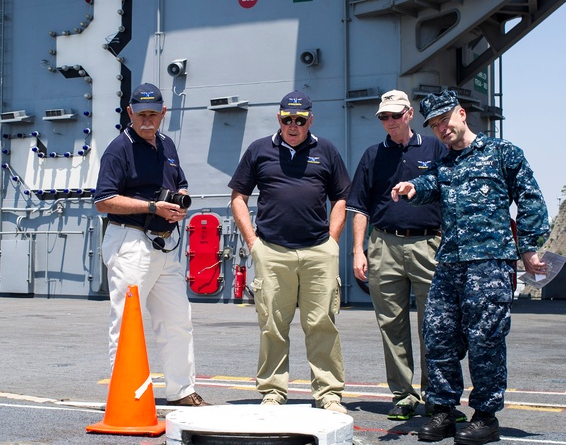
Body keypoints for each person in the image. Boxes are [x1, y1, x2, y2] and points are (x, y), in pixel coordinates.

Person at [391, 89, 549, 445]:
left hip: (489, 263)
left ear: (461, 114)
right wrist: (412, 187)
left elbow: (530, 198)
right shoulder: (445, 164)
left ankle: (485, 416)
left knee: (486, 338)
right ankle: (444, 410)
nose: (441, 128)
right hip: (449, 262)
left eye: (445, 119)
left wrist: (528, 248)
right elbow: (429, 183)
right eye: (433, 124)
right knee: (438, 335)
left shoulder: (502, 153)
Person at [228, 90, 351, 413]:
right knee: (272, 324)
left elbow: (341, 198)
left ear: (310, 120)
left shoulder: (326, 150)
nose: (293, 126)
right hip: (272, 251)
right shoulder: (259, 150)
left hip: (318, 252)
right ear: (278, 119)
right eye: (287, 119)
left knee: (322, 323)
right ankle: (273, 390)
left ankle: (328, 393)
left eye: (299, 120)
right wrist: (253, 243)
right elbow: (238, 197)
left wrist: (333, 241)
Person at [94, 83, 206, 407]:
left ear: (163, 114)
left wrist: (178, 203)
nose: (147, 121)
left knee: (177, 320)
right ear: (129, 113)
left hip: (164, 245)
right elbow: (103, 200)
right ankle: (125, 396)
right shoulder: (119, 149)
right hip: (130, 243)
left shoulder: (167, 145)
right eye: (141, 114)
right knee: (128, 321)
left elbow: (179, 181)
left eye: (153, 115)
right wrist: (152, 207)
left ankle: (182, 390)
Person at [347, 90, 448, 421]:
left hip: (428, 245)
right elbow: (359, 207)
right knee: (391, 324)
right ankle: (403, 395)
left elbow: (451, 195)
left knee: (434, 324)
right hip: (384, 245)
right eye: (383, 117)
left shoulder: (435, 147)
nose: (389, 122)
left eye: (394, 115)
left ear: (409, 114)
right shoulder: (373, 155)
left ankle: (437, 396)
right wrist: (358, 251)